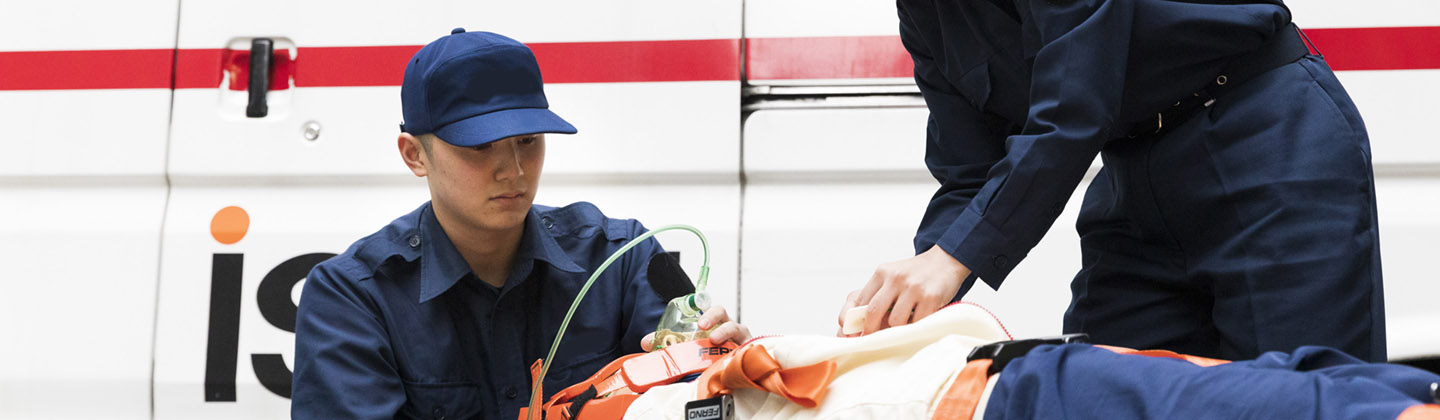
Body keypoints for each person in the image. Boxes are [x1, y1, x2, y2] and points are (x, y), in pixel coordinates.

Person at [840, 0, 1385, 362]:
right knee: (1099, 388)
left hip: (1266, 141)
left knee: (1300, 395)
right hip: (1132, 173)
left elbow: (1072, 109)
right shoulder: (924, 13)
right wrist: (907, 304)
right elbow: (968, 172)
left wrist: (951, 259)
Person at [291, 28, 750, 420]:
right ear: (415, 155)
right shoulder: (352, 297)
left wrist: (734, 378)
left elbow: (693, 397)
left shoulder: (621, 257)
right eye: (478, 147)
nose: (513, 169)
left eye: (528, 141)